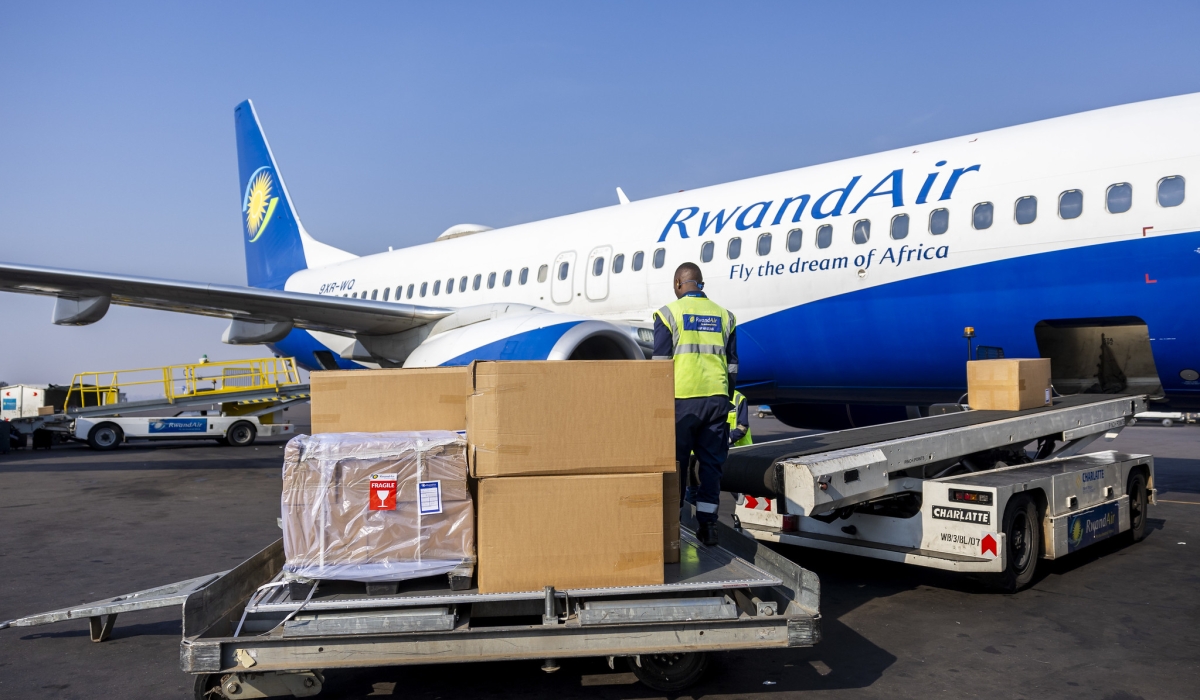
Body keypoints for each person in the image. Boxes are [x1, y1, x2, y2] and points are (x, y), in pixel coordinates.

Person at [653, 262, 737, 546]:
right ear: (701, 284)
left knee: (676, 464)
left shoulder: (668, 314)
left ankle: (672, 525)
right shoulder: (725, 316)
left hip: (681, 401)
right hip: (716, 399)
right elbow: (733, 367)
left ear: (679, 283)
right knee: (711, 466)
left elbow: (659, 366)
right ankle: (709, 527)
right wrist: (726, 397)